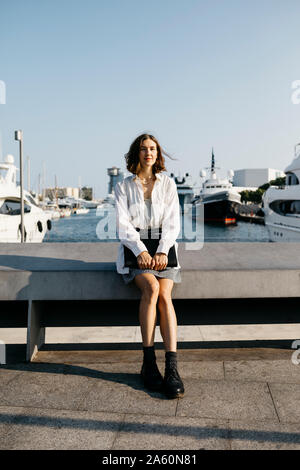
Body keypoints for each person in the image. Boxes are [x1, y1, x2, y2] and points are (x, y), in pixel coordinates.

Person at [115, 133, 184, 399]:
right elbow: (123, 225)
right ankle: (148, 362)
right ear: (137, 153)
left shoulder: (167, 184)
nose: (148, 153)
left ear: (158, 153)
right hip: (135, 248)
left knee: (165, 295)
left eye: (152, 148)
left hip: (164, 248)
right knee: (152, 288)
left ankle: (172, 367)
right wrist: (141, 251)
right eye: (143, 149)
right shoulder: (123, 186)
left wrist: (163, 250)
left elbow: (172, 223)